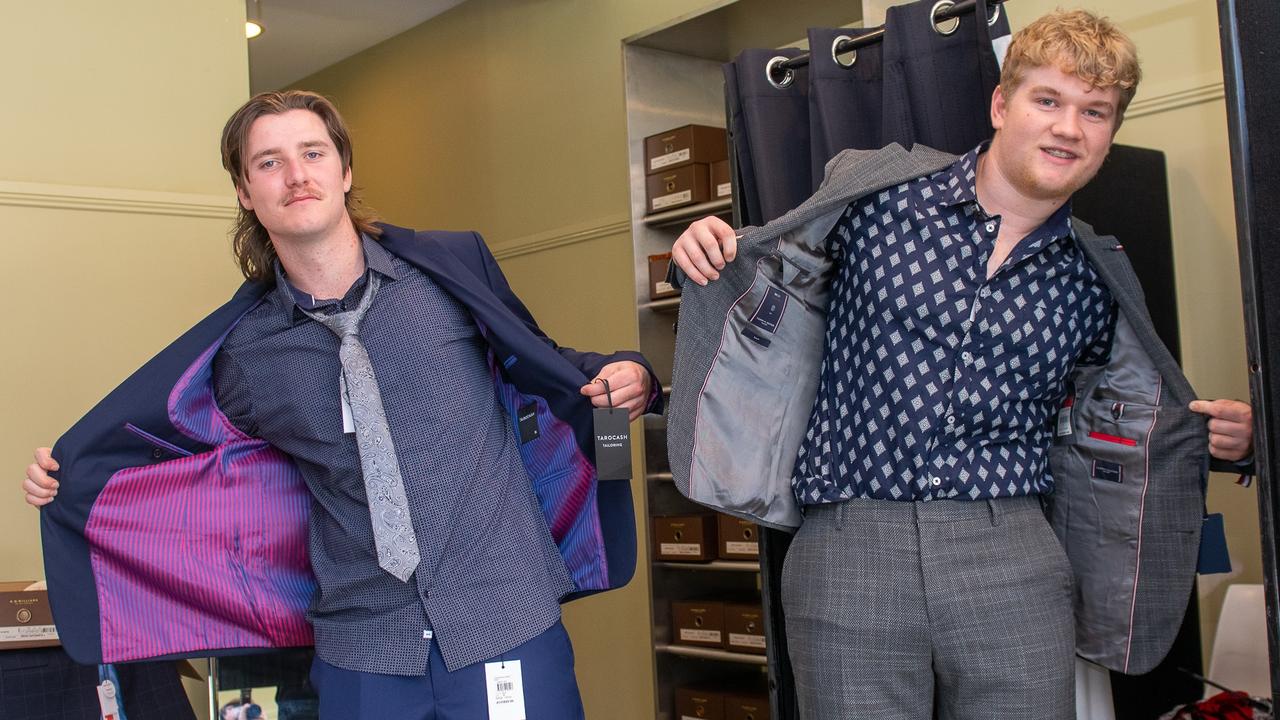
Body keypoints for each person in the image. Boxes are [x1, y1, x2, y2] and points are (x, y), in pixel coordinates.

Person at [668, 9, 1253, 719]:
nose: (1070, 127)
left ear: (1109, 133)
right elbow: (765, 273)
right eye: (1049, 100)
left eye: (1095, 112)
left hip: (1012, 558)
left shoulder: (1096, 275)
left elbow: (1132, 421)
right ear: (1002, 105)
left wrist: (1233, 440)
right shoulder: (876, 197)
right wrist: (701, 246)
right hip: (851, 550)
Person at [24, 90, 659, 719]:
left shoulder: (447, 272)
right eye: (269, 162)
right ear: (245, 191)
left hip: (507, 621)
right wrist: (70, 479)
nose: (297, 175)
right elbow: (165, 456)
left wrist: (628, 374)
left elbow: (540, 363)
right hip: (363, 652)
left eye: (312, 152)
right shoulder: (245, 355)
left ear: (345, 170)